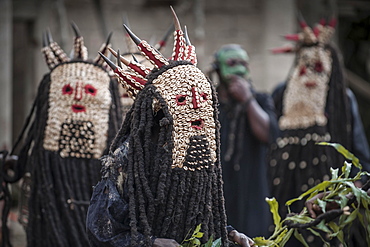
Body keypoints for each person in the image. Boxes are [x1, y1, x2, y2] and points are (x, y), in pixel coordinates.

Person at [86, 7, 255, 247]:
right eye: (184, 100)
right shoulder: (130, 156)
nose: (197, 108)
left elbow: (203, 215)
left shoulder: (200, 157)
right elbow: (101, 230)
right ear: (159, 108)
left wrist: (227, 233)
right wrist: (151, 243)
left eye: (204, 100)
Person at [1, 23, 122, 247]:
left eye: (89, 92)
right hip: (51, 212)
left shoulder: (116, 158)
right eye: (67, 91)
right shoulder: (46, 161)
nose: (77, 98)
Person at [268, 16, 370, 246]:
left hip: (328, 202)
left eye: (318, 65)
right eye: (305, 63)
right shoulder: (281, 95)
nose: (310, 73)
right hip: (284, 194)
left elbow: (359, 154)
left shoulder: (342, 99)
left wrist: (353, 188)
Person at [208, 44, 278, 238]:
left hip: (252, 192)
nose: (239, 69)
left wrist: (247, 99)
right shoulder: (208, 104)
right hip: (219, 191)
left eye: (243, 63)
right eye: (232, 63)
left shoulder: (260, 100)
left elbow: (268, 135)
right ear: (218, 68)